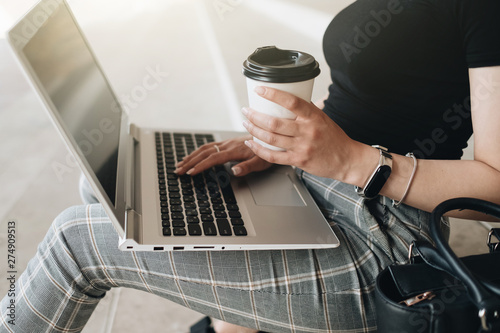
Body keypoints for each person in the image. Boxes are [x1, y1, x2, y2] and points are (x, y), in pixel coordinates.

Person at [2, 0, 500, 332]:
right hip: (313, 180)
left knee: (77, 238)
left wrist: (351, 159)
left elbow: (495, 189)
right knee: (118, 189)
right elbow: (387, 100)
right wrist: (282, 144)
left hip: (380, 235)